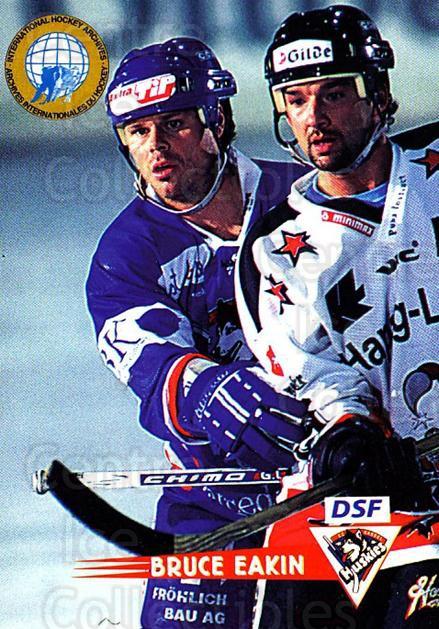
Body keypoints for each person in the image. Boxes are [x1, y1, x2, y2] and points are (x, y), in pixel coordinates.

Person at [86, 37, 309, 629]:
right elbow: (151, 363)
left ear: (218, 121)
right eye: (137, 132)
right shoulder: (124, 255)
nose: (155, 147)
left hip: (344, 486)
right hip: (215, 501)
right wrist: (207, 391)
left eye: (174, 124)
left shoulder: (308, 199)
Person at [236, 5, 438, 627]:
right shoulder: (273, 247)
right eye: (295, 99)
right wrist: (349, 431)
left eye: (334, 94)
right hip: (381, 490)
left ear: (378, 94)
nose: (313, 117)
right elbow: (317, 376)